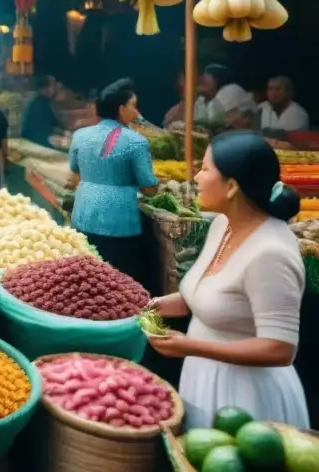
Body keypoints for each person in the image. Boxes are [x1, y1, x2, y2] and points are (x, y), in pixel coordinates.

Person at [147, 132, 308, 429]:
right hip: (204, 378)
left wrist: (191, 346)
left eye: (205, 169)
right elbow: (205, 297)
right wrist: (150, 306)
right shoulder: (223, 224)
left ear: (232, 186)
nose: (196, 176)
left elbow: (280, 348)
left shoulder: (270, 253)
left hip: (248, 400)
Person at [67, 79, 158, 284]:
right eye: (134, 106)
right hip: (118, 219)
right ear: (121, 109)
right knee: (118, 280)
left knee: (87, 276)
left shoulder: (80, 135)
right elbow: (150, 187)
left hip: (83, 212)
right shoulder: (136, 141)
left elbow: (74, 171)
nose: (137, 112)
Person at [195, 64, 256, 131]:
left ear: (219, 77)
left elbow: (216, 121)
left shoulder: (231, 89)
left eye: (208, 73)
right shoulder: (201, 99)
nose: (200, 78)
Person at [21, 75, 58, 148]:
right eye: (54, 85)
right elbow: (39, 134)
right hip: (36, 145)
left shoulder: (40, 102)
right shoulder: (40, 105)